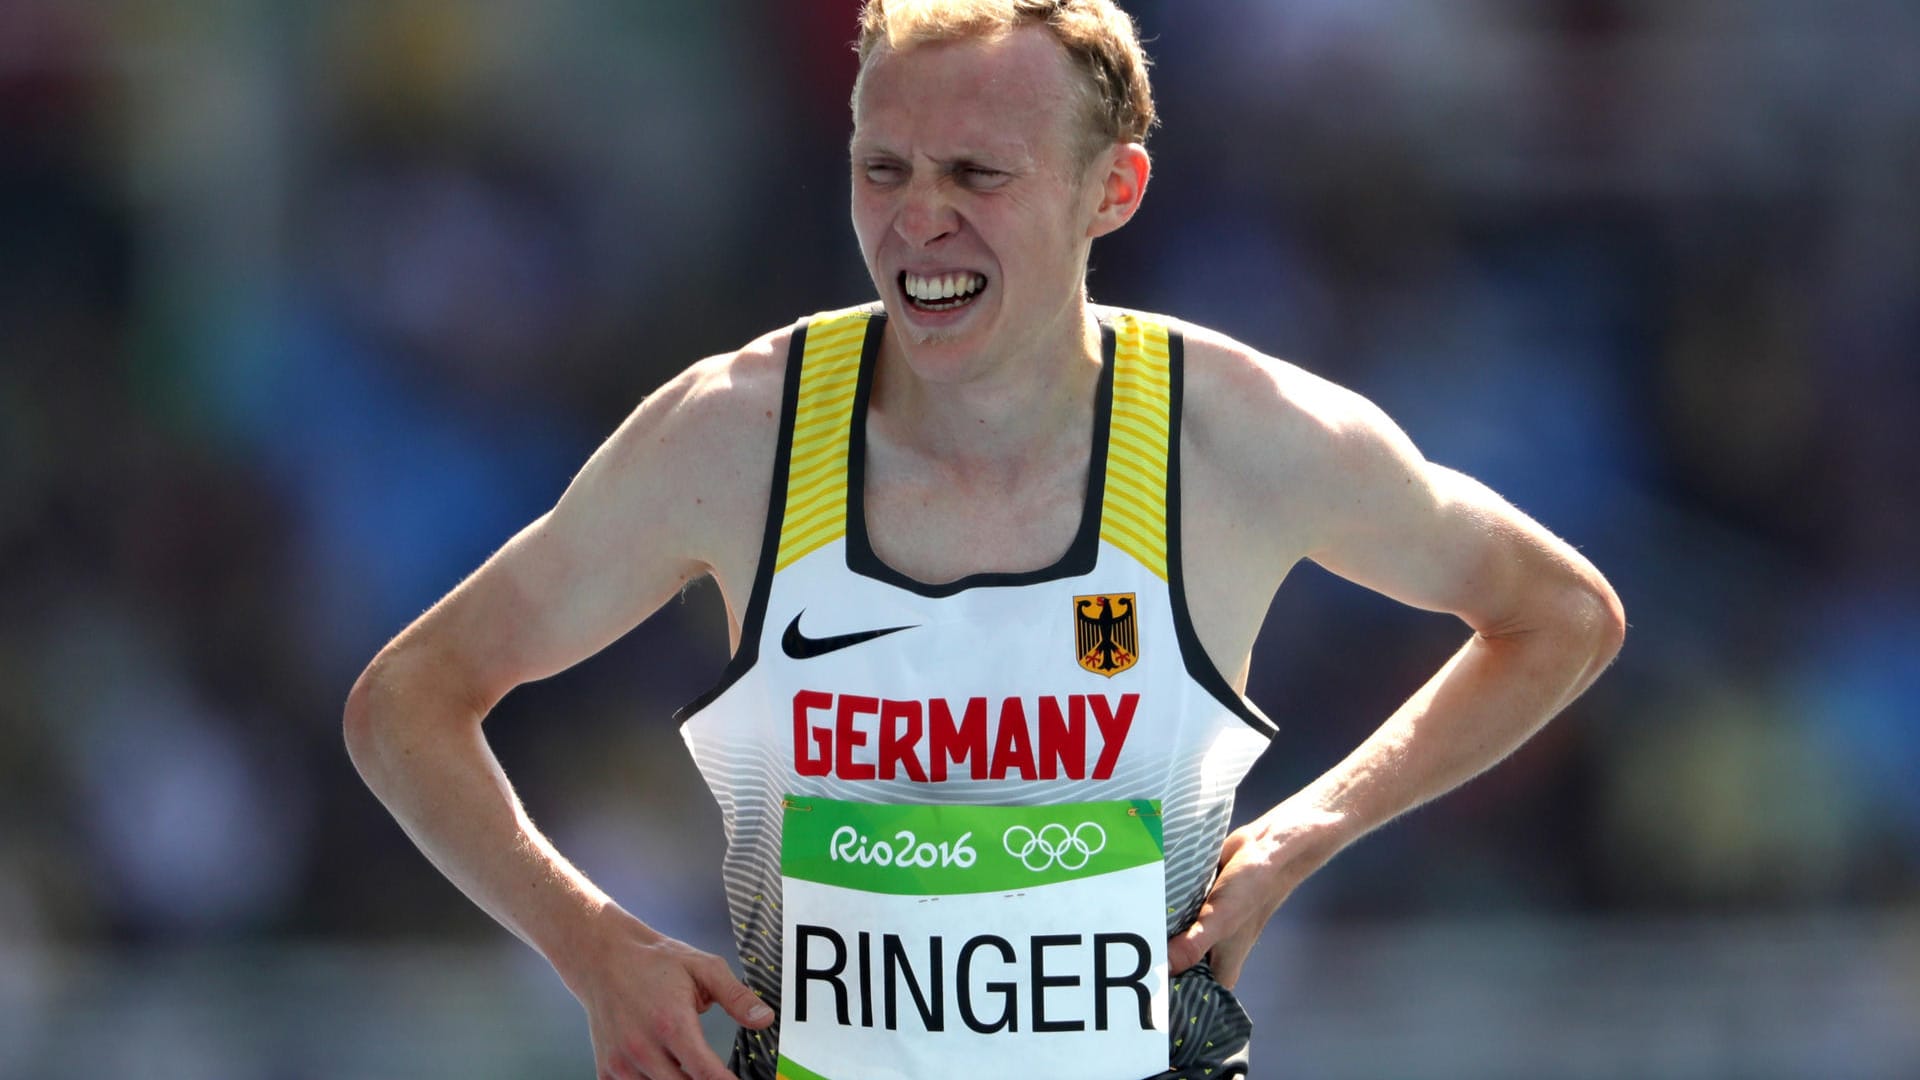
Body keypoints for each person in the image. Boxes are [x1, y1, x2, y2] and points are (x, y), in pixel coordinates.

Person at [343, 2, 1626, 1077]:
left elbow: (1560, 616)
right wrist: (590, 945)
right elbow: (406, 702)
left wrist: (1307, 831)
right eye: (883, 168)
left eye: (978, 175)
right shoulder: (735, 437)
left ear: (1109, 189)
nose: (918, 223)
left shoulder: (1237, 436)